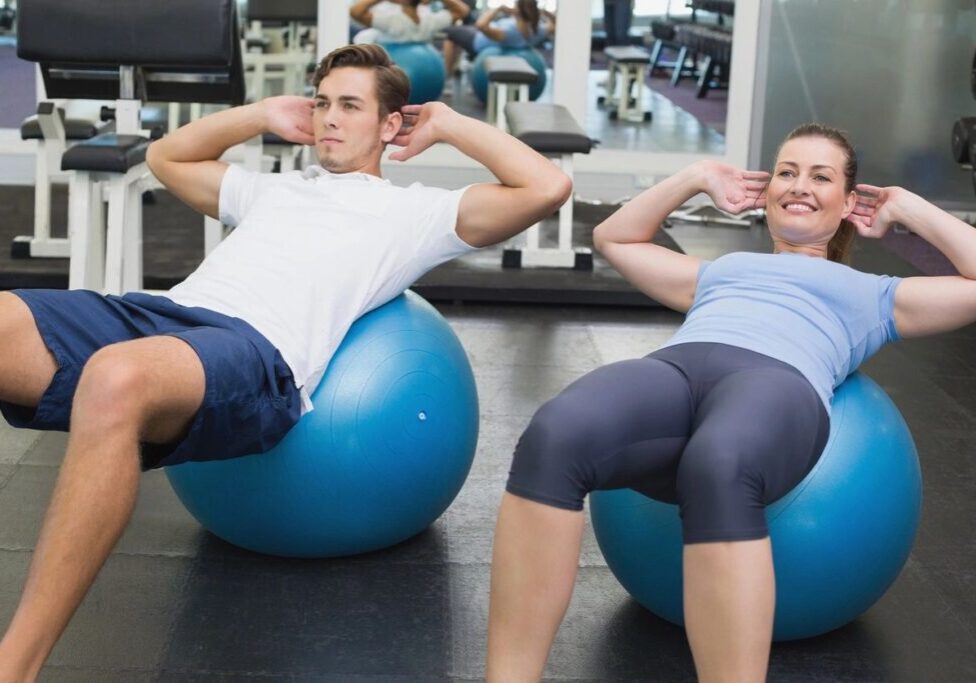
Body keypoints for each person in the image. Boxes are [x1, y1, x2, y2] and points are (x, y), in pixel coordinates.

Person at [0, 43, 570, 681]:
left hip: (253, 353)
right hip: (162, 314)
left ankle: (15, 666)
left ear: (390, 124)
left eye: (349, 106)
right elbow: (165, 157)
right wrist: (261, 113)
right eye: (322, 102)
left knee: (115, 376)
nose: (328, 117)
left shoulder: (417, 214)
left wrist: (450, 124)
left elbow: (549, 186)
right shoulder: (272, 190)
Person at [485, 123, 976, 682]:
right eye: (787, 172)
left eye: (822, 177)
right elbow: (615, 239)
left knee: (720, 463)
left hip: (779, 381)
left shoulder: (876, 294)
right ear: (765, 193)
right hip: (679, 369)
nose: (800, 185)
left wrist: (907, 207)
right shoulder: (720, 272)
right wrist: (694, 178)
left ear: (848, 203)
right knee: (554, 433)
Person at [442, 0, 554, 79]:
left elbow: (480, 25)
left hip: (477, 41)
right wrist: (547, 13)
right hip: (481, 34)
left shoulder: (510, 31)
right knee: (465, 26)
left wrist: (498, 8)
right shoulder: (537, 30)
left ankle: (447, 75)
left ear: (517, 10)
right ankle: (455, 66)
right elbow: (555, 25)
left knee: (450, 33)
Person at [350, 0, 470, 45]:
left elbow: (355, 12)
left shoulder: (393, 21)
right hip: (417, 42)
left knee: (351, 29)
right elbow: (463, 10)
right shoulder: (430, 19)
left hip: (372, 44)